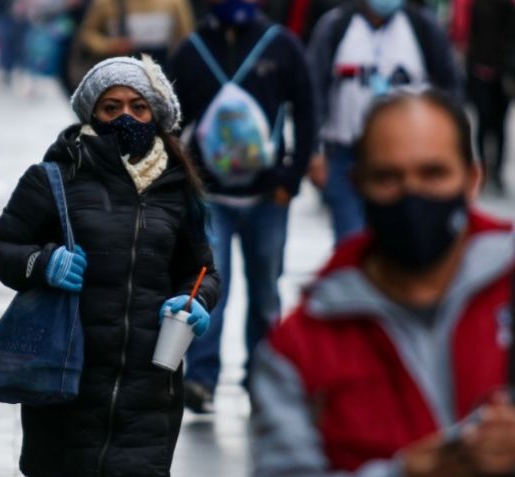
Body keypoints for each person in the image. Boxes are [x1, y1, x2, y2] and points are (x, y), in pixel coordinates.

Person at [250, 90, 515, 477]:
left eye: (433, 173)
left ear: (472, 178)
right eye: (388, 178)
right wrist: (408, 473)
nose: (412, 195)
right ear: (357, 184)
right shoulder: (300, 348)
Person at [0, 56, 220, 476]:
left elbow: (203, 271)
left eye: (138, 106)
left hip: (149, 391)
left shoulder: (177, 187)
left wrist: (195, 299)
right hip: (66, 382)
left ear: (156, 115)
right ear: (92, 112)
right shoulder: (55, 176)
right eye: (112, 107)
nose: (126, 116)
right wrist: (43, 263)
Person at [167, 0, 316, 411]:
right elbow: (170, 123)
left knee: (266, 292)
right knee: (211, 289)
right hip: (210, 197)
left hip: (269, 197)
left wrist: (292, 177)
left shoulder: (280, 46)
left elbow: (307, 111)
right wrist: (181, 184)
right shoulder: (192, 49)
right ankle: (200, 379)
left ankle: (263, 380)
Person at [308, 0, 460, 243]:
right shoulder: (336, 26)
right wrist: (314, 151)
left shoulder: (421, 26)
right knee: (352, 241)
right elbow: (313, 90)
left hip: (409, 156)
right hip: (348, 155)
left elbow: (450, 88)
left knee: (403, 239)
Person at [464, 0, 515, 193]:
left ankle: (498, 172)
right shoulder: (477, 5)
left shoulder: (508, 8)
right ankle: (484, 170)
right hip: (479, 74)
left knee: (499, 125)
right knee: (483, 122)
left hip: (502, 76)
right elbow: (470, 37)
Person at [77, 0, 194, 68]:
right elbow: (86, 34)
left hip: (162, 72)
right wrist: (109, 46)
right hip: (120, 72)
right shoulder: (107, 3)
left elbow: (186, 38)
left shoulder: (174, 3)